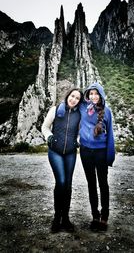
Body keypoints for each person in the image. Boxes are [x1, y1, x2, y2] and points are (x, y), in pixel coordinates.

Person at [41, 88, 83, 233]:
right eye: (72, 96)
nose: (74, 99)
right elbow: (45, 127)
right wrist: (49, 137)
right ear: (68, 96)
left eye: (77, 98)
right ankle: (56, 218)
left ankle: (65, 218)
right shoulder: (55, 110)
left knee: (68, 184)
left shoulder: (79, 114)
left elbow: (80, 132)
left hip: (71, 152)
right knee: (61, 182)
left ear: (79, 101)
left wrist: (77, 141)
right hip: (55, 151)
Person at [79, 82, 115, 231]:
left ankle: (104, 217)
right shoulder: (83, 108)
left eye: (96, 93)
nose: (93, 96)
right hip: (85, 151)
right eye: (91, 93)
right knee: (91, 184)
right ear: (88, 95)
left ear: (101, 95)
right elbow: (71, 99)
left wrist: (110, 156)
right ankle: (95, 215)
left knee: (103, 183)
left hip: (100, 152)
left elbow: (110, 136)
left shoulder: (107, 112)